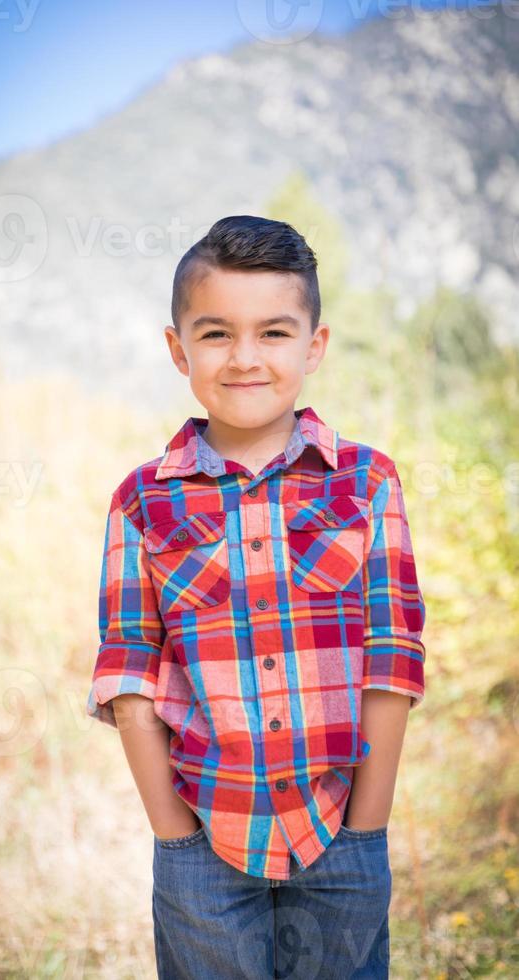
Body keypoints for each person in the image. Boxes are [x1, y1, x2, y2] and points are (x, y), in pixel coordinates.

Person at [86, 215, 427, 979]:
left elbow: (392, 659)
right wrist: (173, 835)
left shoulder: (367, 483)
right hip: (204, 847)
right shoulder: (142, 500)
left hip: (341, 838)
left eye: (274, 333)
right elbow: (129, 672)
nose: (245, 358)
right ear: (179, 350)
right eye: (216, 335)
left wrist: (367, 829)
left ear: (314, 345)